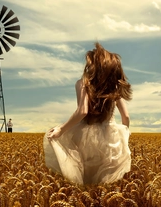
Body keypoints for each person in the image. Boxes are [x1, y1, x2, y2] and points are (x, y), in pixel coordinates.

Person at [43, 42, 132, 185]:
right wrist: (124, 138)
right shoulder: (114, 86)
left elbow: (82, 111)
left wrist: (61, 129)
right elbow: (126, 117)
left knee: (85, 180)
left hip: (86, 138)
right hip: (110, 137)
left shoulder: (83, 83)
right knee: (105, 183)